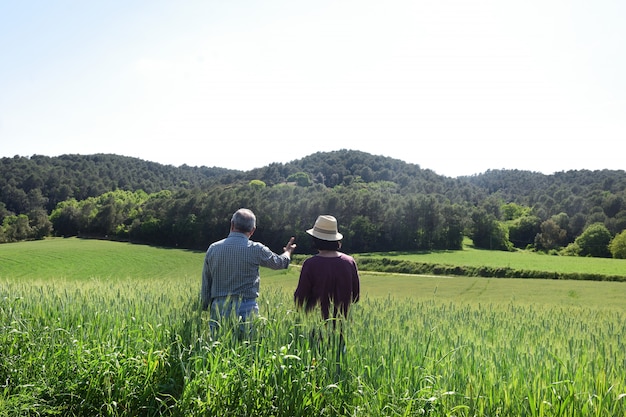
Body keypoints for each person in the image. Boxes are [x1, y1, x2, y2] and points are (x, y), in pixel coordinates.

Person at [201, 208, 296, 326]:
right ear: (253, 230)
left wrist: (204, 306)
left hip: (219, 308)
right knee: (247, 344)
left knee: (219, 343)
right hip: (247, 308)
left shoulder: (213, 248)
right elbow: (280, 263)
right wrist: (287, 252)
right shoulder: (256, 249)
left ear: (232, 225)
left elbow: (206, 281)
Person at [294, 215, 360, 321]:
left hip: (315, 326)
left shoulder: (310, 264)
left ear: (315, 239)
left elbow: (300, 299)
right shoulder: (349, 262)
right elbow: (355, 297)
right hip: (344, 327)